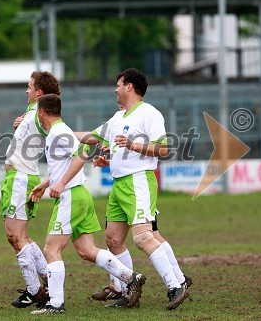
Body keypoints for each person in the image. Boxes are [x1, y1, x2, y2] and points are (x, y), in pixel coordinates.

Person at [75, 68, 189, 310]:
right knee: (113, 240)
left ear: (129, 86)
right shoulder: (118, 118)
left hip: (138, 182)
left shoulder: (149, 113)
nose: (115, 90)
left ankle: (176, 285)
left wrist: (133, 145)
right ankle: (128, 291)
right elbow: (92, 137)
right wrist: (56, 132)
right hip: (119, 185)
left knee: (144, 236)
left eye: (118, 85)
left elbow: (164, 149)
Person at [28, 93, 146, 315]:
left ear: (41, 112)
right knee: (86, 250)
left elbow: (83, 153)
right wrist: (47, 184)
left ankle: (55, 304)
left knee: (51, 249)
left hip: (71, 196)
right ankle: (130, 277)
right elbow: (63, 164)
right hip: (79, 196)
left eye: (37, 112)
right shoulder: (59, 131)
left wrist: (61, 183)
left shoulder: (58, 133)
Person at [90, 150, 193, 307]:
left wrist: (129, 145)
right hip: (128, 183)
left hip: (140, 184)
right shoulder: (121, 129)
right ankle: (122, 288)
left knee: (148, 235)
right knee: (129, 237)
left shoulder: (143, 127)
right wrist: (112, 160)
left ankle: (178, 282)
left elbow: (158, 148)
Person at [0, 71, 60, 308]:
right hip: (18, 178)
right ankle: (49, 280)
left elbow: (50, 129)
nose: (26, 90)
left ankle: (36, 291)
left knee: (15, 236)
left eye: (29, 87)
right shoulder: (33, 113)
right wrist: (21, 121)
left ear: (39, 93)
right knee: (20, 236)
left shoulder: (39, 114)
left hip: (21, 179)